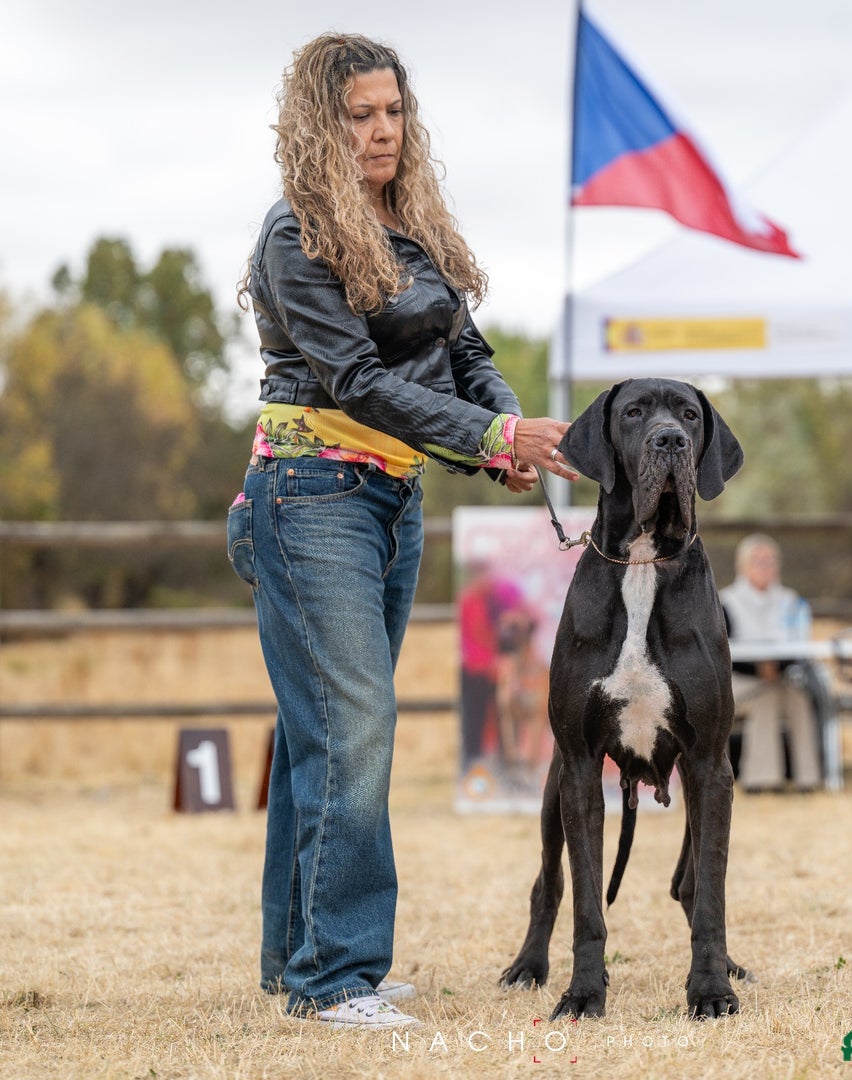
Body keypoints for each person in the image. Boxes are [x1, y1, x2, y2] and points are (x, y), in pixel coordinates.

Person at [226, 32, 577, 1030]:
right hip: (310, 495)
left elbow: (466, 352)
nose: (381, 132)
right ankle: (335, 977)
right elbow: (362, 384)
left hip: (391, 499)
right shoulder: (295, 236)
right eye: (358, 116)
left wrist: (502, 434)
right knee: (355, 728)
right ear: (319, 125)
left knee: (325, 734)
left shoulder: (411, 227)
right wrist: (492, 433)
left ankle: (301, 958)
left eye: (391, 112)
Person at [718, 534, 822, 793]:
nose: (766, 567)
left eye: (770, 561)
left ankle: (807, 778)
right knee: (767, 698)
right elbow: (722, 653)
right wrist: (758, 669)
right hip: (739, 680)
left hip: (779, 676)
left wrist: (776, 667)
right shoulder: (726, 601)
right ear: (743, 566)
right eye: (758, 561)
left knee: (799, 699)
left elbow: (799, 645)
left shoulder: (790, 600)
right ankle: (761, 780)